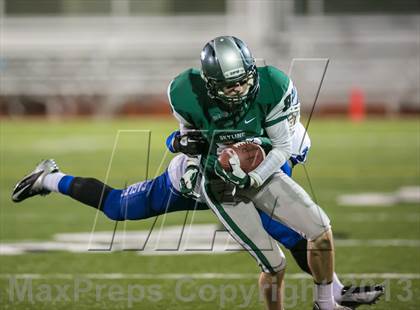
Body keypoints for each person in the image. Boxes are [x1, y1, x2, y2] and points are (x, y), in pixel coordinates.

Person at [11, 125, 383, 309]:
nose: (289, 166)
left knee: (294, 236)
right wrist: (187, 146)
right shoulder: (231, 131)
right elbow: (177, 137)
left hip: (240, 191)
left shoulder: (271, 147)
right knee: (117, 207)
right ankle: (48, 178)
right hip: (189, 185)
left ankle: (333, 293)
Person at [166, 35, 341, 310]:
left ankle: (326, 304)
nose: (238, 89)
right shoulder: (186, 93)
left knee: (320, 229)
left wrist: (255, 177)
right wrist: (189, 164)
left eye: (242, 81)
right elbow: (190, 138)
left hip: (262, 172)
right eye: (229, 85)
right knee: (275, 265)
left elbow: (282, 147)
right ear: (209, 85)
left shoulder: (271, 84)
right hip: (220, 185)